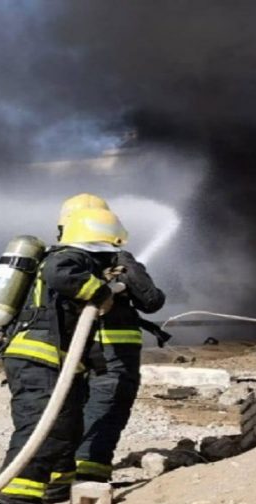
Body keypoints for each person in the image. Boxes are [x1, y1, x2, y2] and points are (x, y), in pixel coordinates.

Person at [0, 195, 127, 504]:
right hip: (37, 359)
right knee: (42, 427)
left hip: (56, 361)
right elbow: (59, 274)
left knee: (67, 427)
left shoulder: (77, 258)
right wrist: (101, 292)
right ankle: (16, 502)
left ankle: (54, 489)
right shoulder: (68, 258)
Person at [68, 195, 166, 487]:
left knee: (67, 408)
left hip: (68, 351)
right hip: (113, 352)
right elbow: (151, 301)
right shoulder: (118, 259)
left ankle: (59, 475)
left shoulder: (59, 262)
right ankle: (89, 478)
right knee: (107, 408)